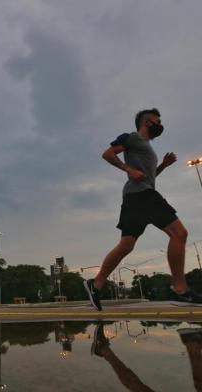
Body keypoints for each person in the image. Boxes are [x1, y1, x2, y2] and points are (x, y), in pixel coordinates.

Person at [83, 108, 202, 311]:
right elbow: (107, 154)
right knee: (179, 233)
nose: (160, 124)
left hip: (135, 197)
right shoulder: (132, 138)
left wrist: (163, 165)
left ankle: (95, 284)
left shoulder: (146, 147)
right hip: (142, 196)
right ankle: (180, 290)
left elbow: (147, 177)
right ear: (147, 122)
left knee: (126, 245)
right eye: (157, 121)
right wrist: (128, 170)